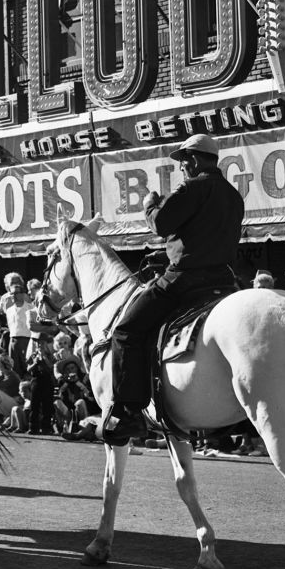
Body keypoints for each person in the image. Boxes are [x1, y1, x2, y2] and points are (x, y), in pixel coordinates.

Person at [103, 133, 244, 443]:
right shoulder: (233, 195)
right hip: (224, 280)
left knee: (126, 330)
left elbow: (162, 224)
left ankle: (128, 413)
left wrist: (150, 205)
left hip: (186, 279)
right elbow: (203, 235)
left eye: (183, 163)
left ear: (193, 160)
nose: (182, 169)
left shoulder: (193, 186)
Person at [0, 272, 38, 380]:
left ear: (22, 294)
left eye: (16, 293)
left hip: (26, 339)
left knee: (27, 366)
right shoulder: (9, 310)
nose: (14, 296)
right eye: (12, 294)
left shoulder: (30, 308)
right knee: (15, 368)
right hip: (13, 340)